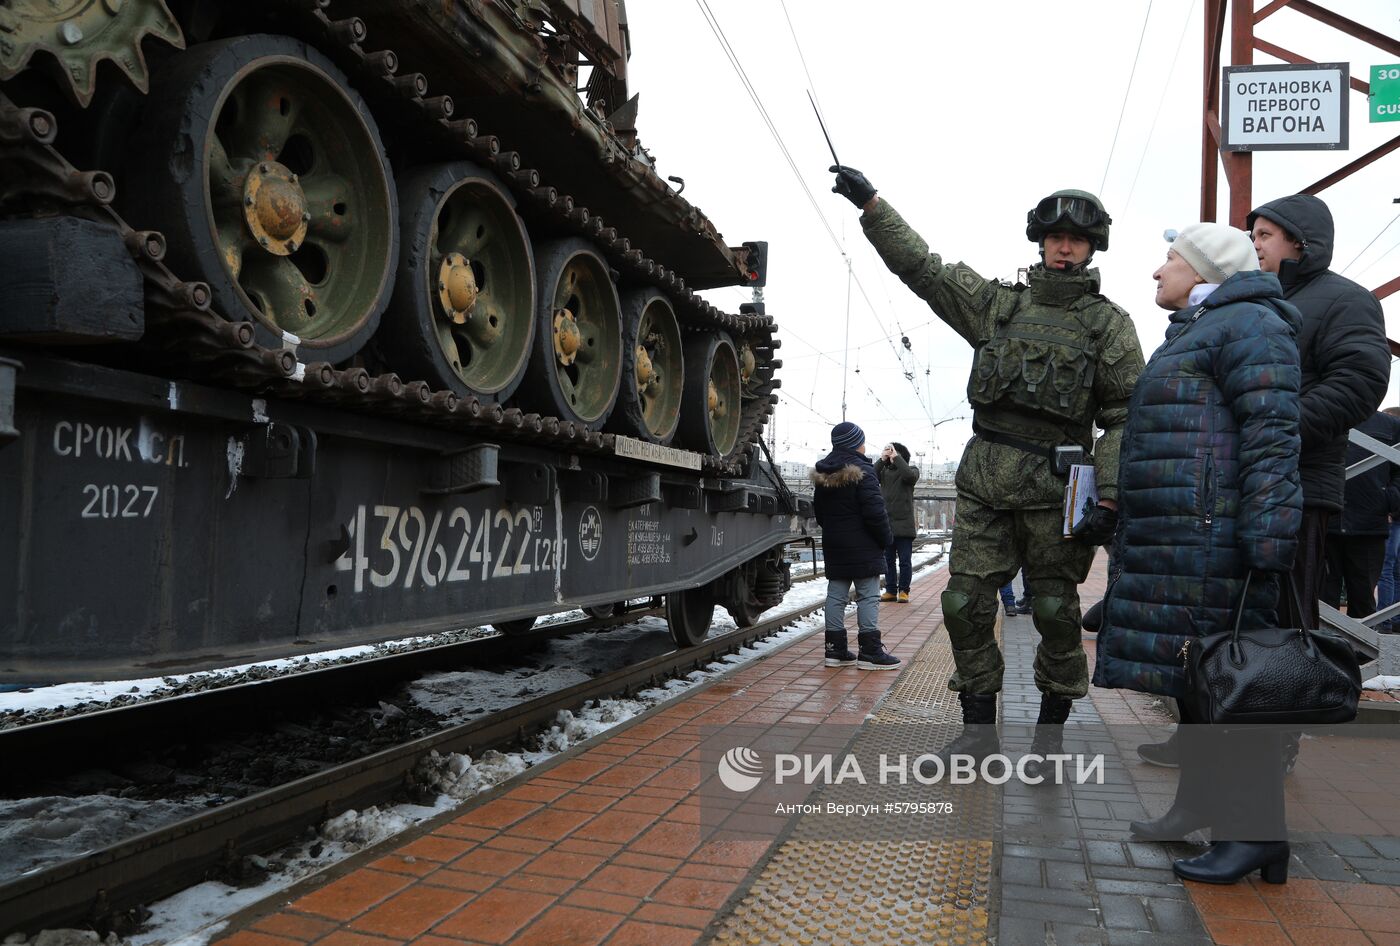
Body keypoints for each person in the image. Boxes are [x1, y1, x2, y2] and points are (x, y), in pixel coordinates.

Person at [830, 166, 1145, 770]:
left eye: (1075, 240)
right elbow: (924, 269)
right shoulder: (998, 306)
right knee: (963, 606)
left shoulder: (1109, 326)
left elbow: (1123, 415)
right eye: (1054, 238)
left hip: (1057, 494)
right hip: (983, 484)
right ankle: (978, 732)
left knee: (1055, 612)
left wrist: (1108, 495)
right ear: (1040, 242)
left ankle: (1050, 736)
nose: (1063, 247)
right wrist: (871, 204)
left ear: (1091, 248)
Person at [1137, 192, 1390, 769]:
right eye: (1251, 236)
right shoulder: (1240, 302)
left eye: (1266, 236)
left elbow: (1360, 380)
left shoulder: (1342, 301)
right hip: (1233, 485)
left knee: (1281, 621)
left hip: (1296, 484)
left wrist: (1275, 422)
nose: (1254, 244)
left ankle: (1276, 743)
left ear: (1303, 244)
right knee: (1217, 619)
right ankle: (1200, 734)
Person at [1093, 223, 1302, 885]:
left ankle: (1256, 836)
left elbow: (1274, 436)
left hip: (1216, 542)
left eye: (1171, 259)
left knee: (1232, 693)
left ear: (1206, 268)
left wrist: (1268, 538)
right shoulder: (1203, 327)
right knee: (1196, 683)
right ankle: (1197, 806)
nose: (1159, 271)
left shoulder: (1248, 326)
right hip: (1182, 540)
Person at [811, 421, 902, 671]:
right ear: (855, 443)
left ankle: (835, 650)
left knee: (836, 595)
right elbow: (875, 511)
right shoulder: (864, 470)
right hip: (863, 544)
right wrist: (886, 538)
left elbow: (819, 512)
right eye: (861, 441)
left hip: (835, 543)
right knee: (868, 596)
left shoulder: (823, 472)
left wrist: (834, 529)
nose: (864, 446)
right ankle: (870, 652)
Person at [1321, 410, 1400, 620]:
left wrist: (1389, 499)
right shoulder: (1326, 415)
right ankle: (1323, 650)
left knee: (1363, 601)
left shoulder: (1390, 425)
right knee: (1322, 602)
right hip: (1326, 523)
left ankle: (1363, 652)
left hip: (1369, 527)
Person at [875, 441, 920, 603]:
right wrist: (882, 459)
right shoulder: (884, 472)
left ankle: (904, 591)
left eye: (893, 452)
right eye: (889, 452)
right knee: (888, 561)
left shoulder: (912, 470)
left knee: (905, 561)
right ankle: (891, 590)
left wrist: (896, 457)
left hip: (904, 525)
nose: (890, 455)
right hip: (887, 525)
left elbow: (909, 476)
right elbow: (871, 475)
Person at [1376, 406, 1400, 631]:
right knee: (1394, 569)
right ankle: (1391, 619)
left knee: (1386, 568)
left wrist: (1389, 509)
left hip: (1393, 515)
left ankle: (1384, 620)